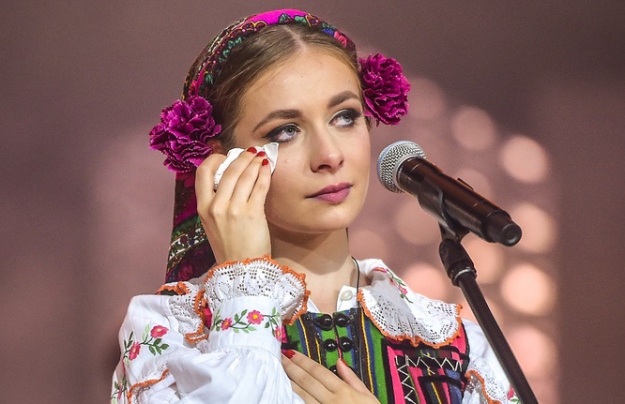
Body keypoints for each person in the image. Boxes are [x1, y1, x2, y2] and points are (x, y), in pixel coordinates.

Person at [111, 9, 519, 404]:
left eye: (344, 117)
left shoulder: (457, 343)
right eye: (286, 131)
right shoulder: (170, 331)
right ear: (222, 162)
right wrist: (245, 284)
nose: (329, 155)